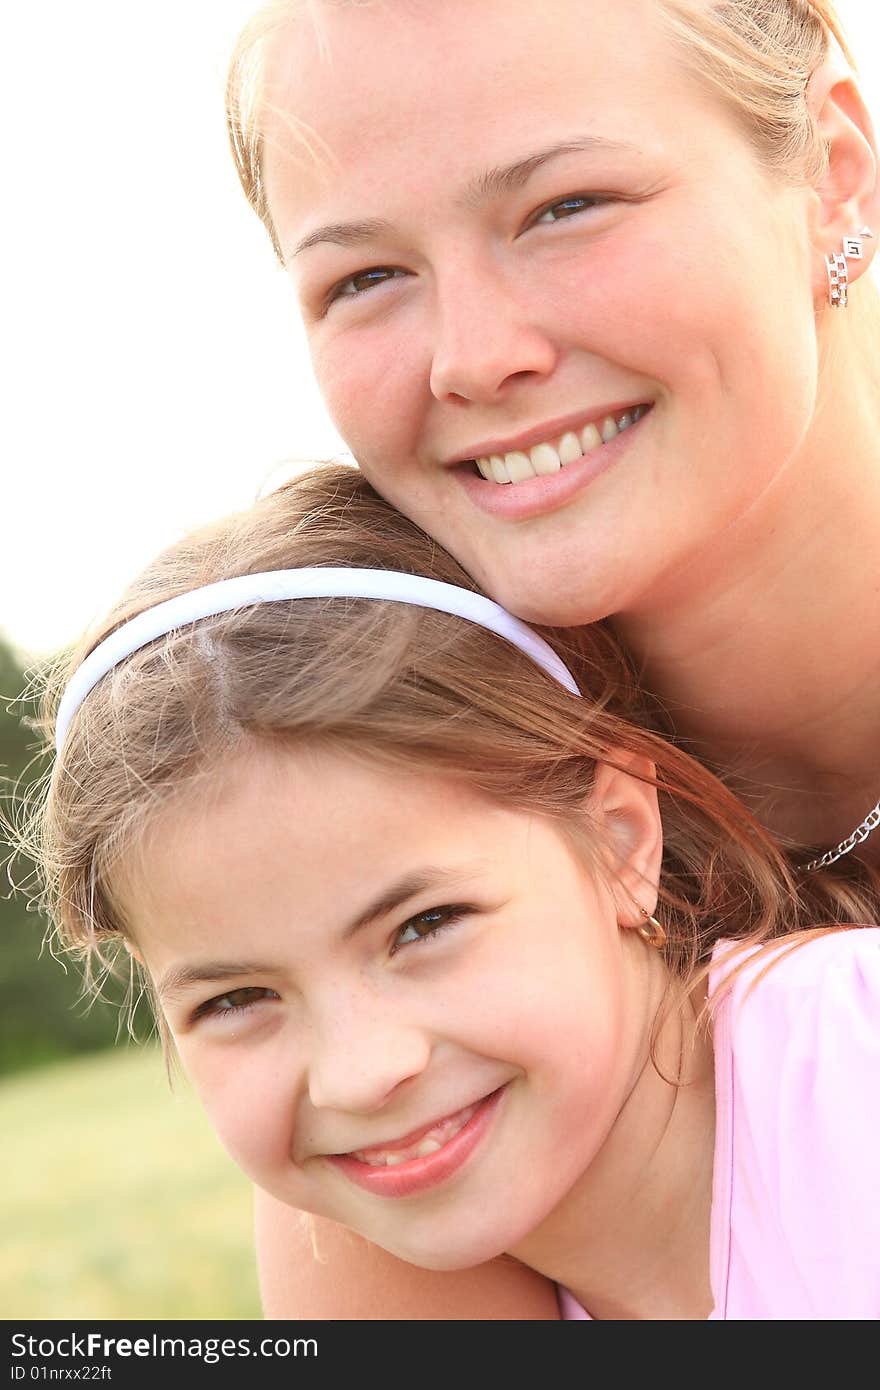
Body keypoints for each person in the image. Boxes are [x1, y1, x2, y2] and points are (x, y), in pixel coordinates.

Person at [222, 0, 880, 1313]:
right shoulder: (441, 938)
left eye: (568, 205)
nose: (476, 358)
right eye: (363, 278)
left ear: (831, 176)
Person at [31, 466, 880, 1320]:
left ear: (620, 843)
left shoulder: (854, 1056)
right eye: (236, 998)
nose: (359, 1077)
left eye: (425, 925)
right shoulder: (365, 1264)